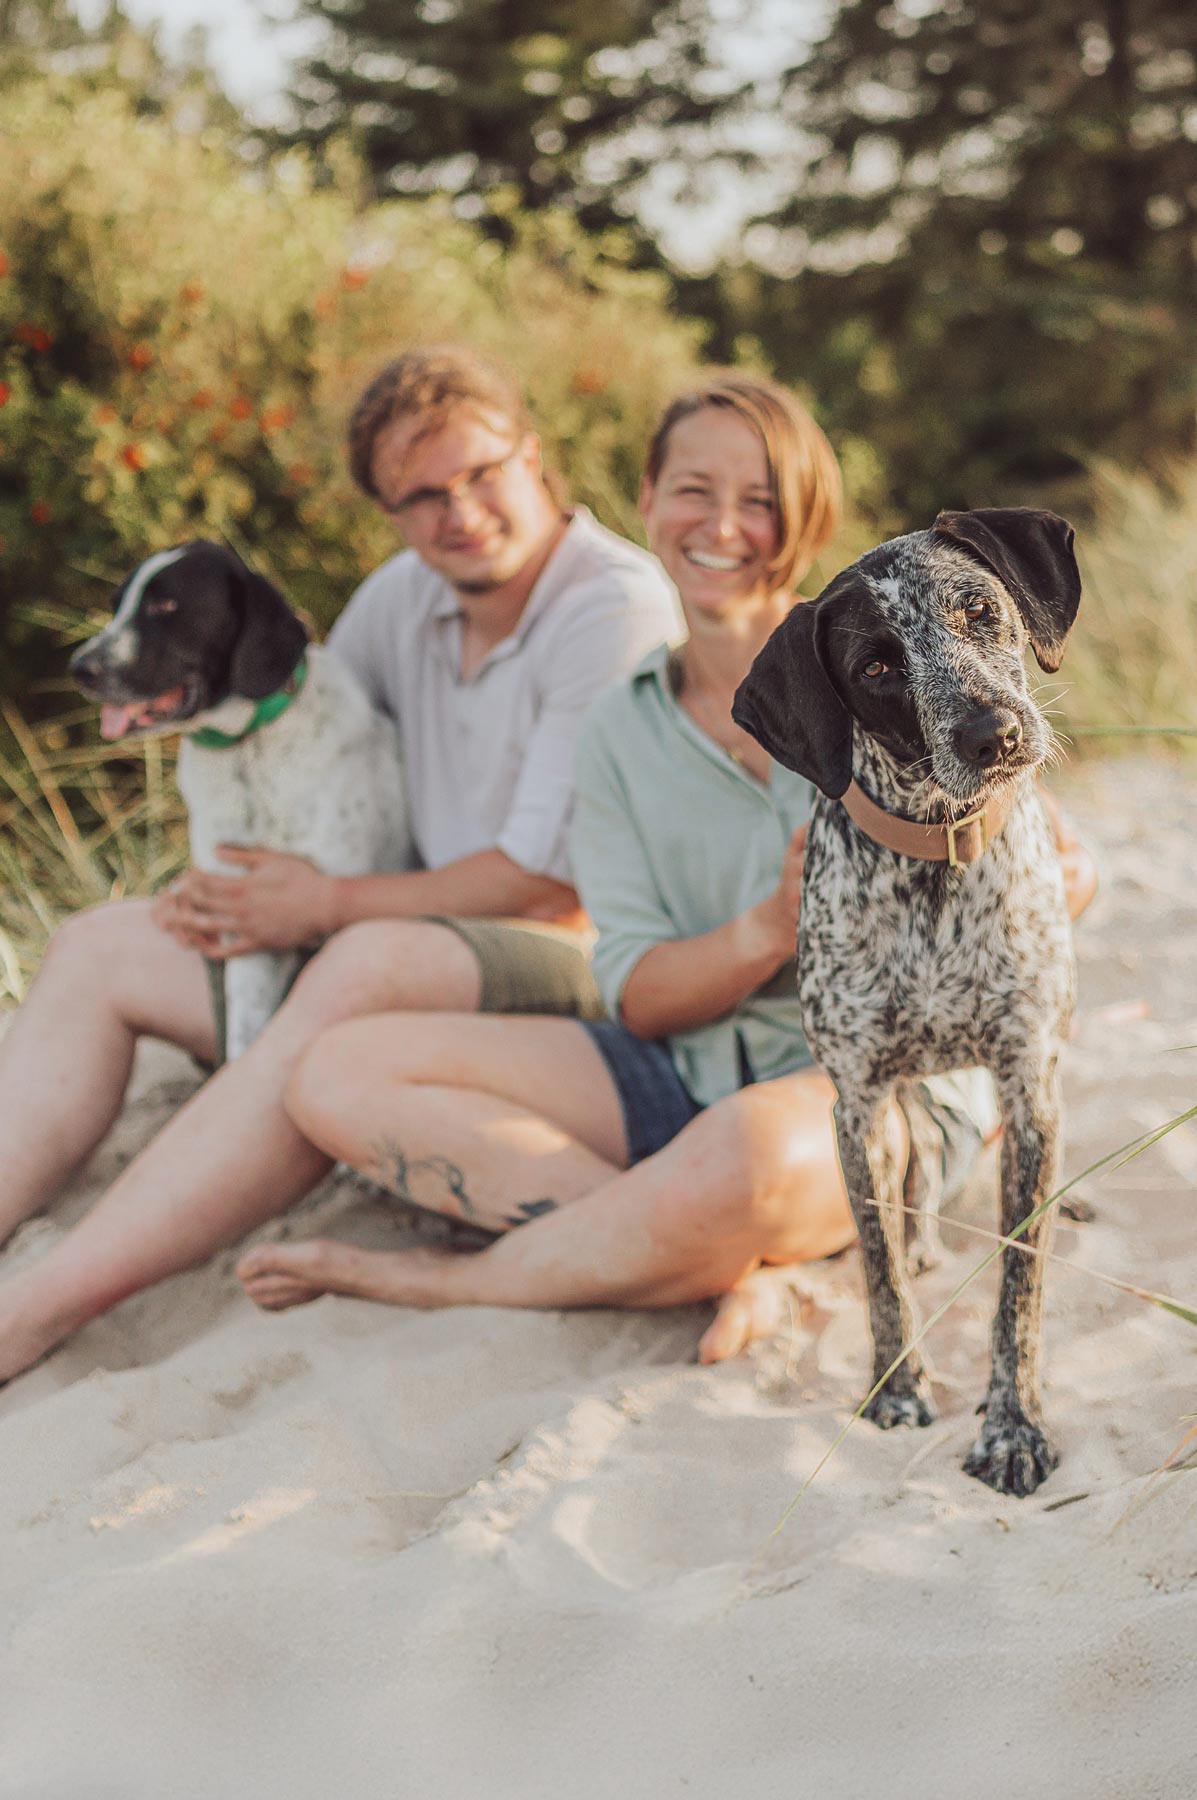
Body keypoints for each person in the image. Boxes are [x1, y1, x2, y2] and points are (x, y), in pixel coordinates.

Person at [234, 374, 1099, 1362]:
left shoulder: (892, 670)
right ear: (645, 498)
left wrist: (1069, 873)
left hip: (872, 1098)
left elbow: (1034, 856)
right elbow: (637, 998)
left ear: (806, 512)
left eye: (761, 497)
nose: (723, 523)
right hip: (682, 1067)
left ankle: (459, 1280)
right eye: (694, 488)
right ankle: (703, 1254)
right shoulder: (619, 724)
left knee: (751, 1152)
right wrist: (769, 927)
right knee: (336, 1069)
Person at [0, 346, 679, 1383]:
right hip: (414, 947)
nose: (460, 512)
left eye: (481, 474)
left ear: (533, 457)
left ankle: (39, 1310)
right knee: (103, 945)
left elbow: (547, 880)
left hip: (586, 969)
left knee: (362, 958)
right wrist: (230, 886)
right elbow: (302, 732)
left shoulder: (610, 607)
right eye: (421, 496)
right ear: (389, 511)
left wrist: (321, 904)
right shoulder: (399, 600)